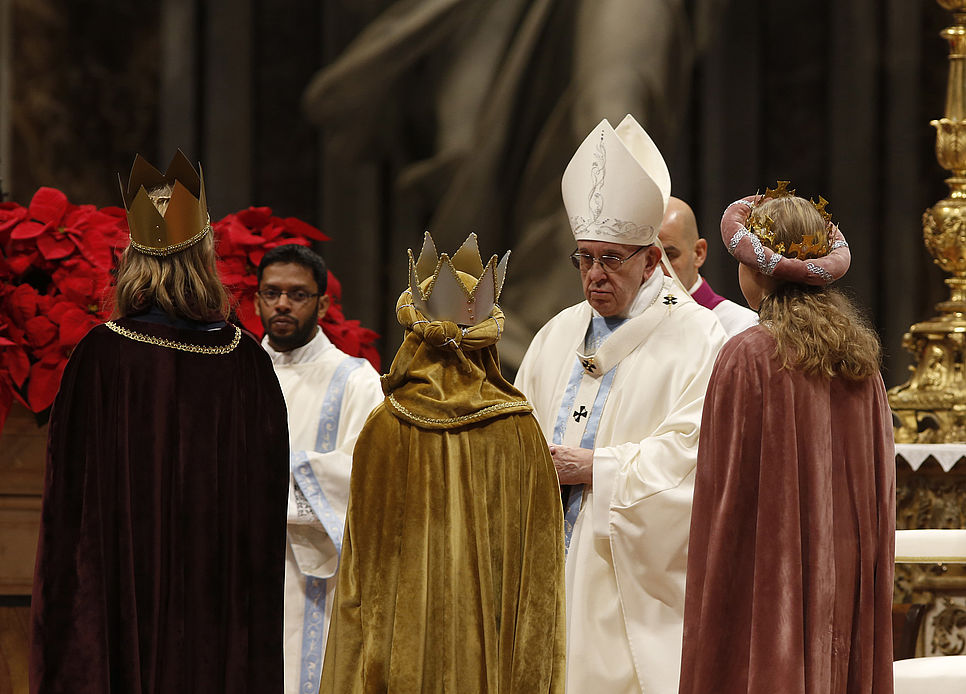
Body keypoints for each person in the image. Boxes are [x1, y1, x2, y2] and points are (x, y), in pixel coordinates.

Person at [30, 151, 290, 693]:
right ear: (206, 255)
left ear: (132, 258)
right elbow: (263, 527)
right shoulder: (246, 362)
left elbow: (69, 523)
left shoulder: (100, 358)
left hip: (123, 610)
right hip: (215, 614)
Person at [514, 115, 726, 693]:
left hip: (632, 584)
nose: (594, 276)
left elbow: (696, 460)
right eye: (584, 258)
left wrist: (597, 469)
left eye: (612, 258)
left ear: (653, 260)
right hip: (546, 567)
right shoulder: (555, 335)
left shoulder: (701, 341)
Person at [321, 233, 566, 693]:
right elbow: (539, 594)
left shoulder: (386, 425)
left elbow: (358, 582)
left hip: (400, 667)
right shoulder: (519, 429)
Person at [679, 184, 895, 693]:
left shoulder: (750, 355)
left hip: (770, 593)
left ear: (755, 268)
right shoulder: (863, 362)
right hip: (843, 582)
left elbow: (724, 503)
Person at [254, 244, 383, 694]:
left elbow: (369, 473)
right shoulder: (235, 375)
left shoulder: (356, 380)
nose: (283, 304)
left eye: (298, 294)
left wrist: (261, 487)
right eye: (271, 292)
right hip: (240, 562)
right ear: (256, 300)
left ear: (323, 304)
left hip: (314, 570)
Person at [659, 196, 758, 337]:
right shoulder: (629, 320)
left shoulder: (743, 327)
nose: (655, 269)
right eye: (648, 257)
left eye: (668, 256)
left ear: (699, 253)